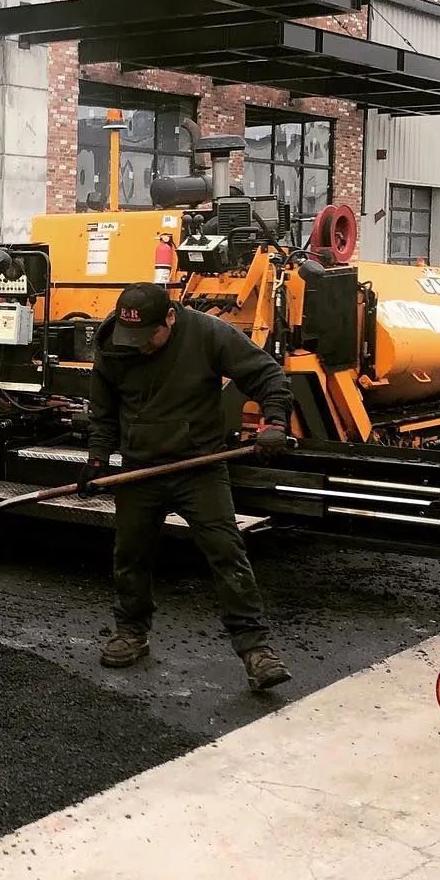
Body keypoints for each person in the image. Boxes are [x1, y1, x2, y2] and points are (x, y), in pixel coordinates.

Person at [82, 282, 294, 691]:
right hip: (141, 469)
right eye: (133, 338)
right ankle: (131, 632)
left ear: (171, 318)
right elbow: (103, 412)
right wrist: (96, 460)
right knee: (131, 554)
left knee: (227, 553)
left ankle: (255, 650)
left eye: (147, 336)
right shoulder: (114, 344)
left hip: (200, 466)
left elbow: (266, 373)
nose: (139, 346)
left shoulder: (208, 333)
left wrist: (276, 421)